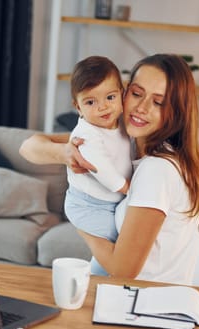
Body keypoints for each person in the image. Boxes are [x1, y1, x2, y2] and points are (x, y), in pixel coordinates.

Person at [20, 54, 199, 287]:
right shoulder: (124, 137)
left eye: (158, 102)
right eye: (137, 93)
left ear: (176, 110)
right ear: (124, 92)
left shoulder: (156, 169)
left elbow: (124, 270)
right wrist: (66, 154)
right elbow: (29, 146)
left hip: (142, 303)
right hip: (129, 297)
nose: (141, 108)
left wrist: (81, 224)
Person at [63, 56, 132, 276]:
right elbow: (100, 168)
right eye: (91, 102)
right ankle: (98, 280)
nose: (103, 107)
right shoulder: (86, 135)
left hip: (108, 203)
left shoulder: (122, 125)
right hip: (87, 206)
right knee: (120, 240)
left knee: (114, 248)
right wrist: (127, 188)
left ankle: (95, 279)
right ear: (78, 107)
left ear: (122, 94)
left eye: (110, 97)